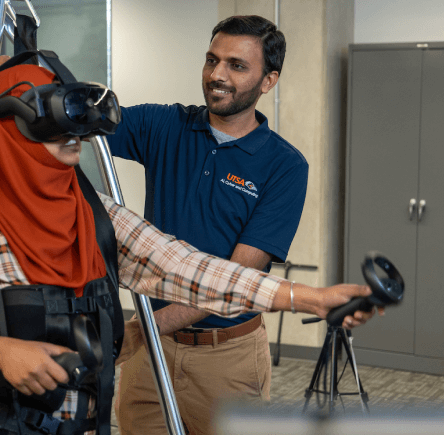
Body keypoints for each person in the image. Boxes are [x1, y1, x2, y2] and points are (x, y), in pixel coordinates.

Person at [0, 59, 374, 435]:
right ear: (10, 131)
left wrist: (306, 297)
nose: (74, 136)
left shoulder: (93, 214)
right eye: (52, 122)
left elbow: (185, 268)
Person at [107, 15, 311, 434]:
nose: (217, 75)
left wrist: (140, 330)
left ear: (268, 81)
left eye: (237, 65)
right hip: (152, 353)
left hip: (227, 360)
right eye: (211, 60)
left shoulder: (284, 167)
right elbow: (81, 123)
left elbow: (234, 281)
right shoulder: (164, 126)